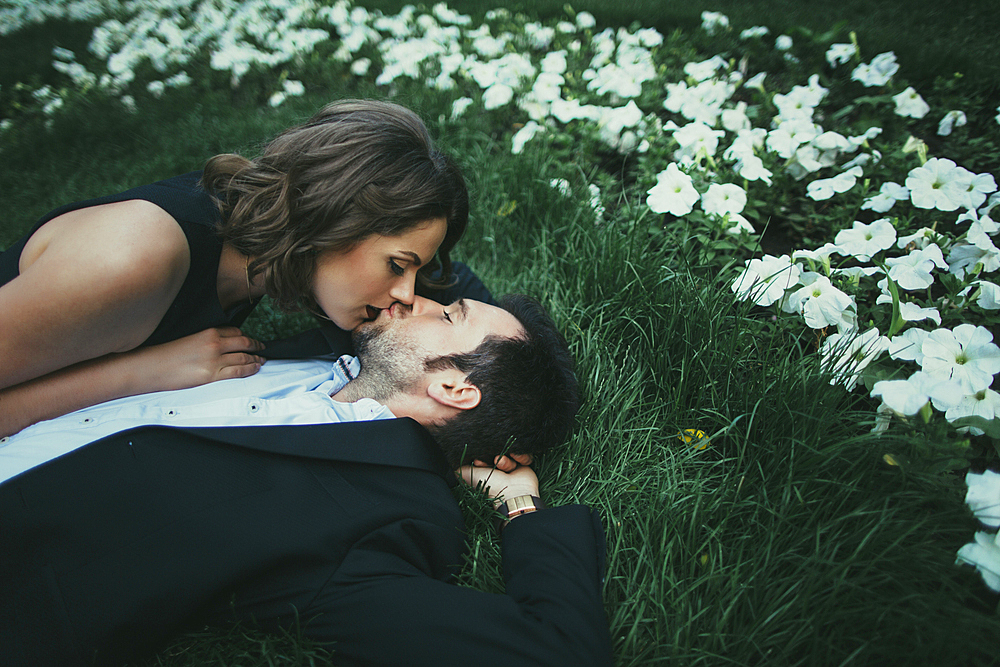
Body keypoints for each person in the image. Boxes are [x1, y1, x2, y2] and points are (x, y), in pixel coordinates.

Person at [0, 294, 613, 667]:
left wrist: (521, 506)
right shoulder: (311, 350)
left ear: (455, 388)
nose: (414, 297)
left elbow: (554, 651)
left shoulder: (382, 517)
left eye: (447, 313)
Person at [0, 99, 486, 438]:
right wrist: (142, 373)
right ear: (333, 218)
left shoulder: (266, 254)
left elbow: (459, 295)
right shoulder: (130, 258)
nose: (406, 293)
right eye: (398, 265)